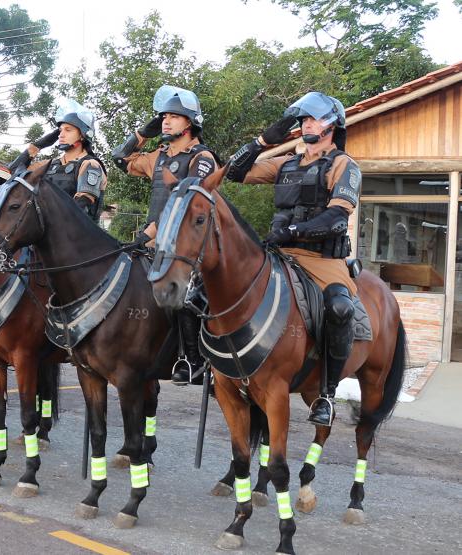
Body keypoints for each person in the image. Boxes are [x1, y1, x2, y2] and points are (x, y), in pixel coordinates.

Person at [226, 91, 360, 427]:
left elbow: (336, 218)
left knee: (340, 307)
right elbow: (233, 172)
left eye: (313, 119)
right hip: (279, 254)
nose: (306, 126)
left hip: (321, 260)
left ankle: (327, 394)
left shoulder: (344, 165)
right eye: (303, 120)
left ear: (332, 125)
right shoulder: (285, 163)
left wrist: (293, 231)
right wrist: (263, 139)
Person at [110, 85, 218, 385]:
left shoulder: (202, 157)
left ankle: (192, 360)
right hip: (153, 243)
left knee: (184, 295)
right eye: (163, 117)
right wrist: (144, 132)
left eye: (173, 117)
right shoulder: (158, 156)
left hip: (187, 246)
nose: (166, 122)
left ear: (190, 122)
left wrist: (147, 234)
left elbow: (184, 207)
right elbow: (120, 158)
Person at [11, 100, 106, 221]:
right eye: (60, 131)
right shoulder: (50, 164)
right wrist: (39, 145)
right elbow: (15, 173)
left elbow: (81, 207)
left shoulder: (90, 164)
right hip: (48, 237)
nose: (61, 135)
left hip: (76, 238)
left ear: (83, 135)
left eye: (68, 130)